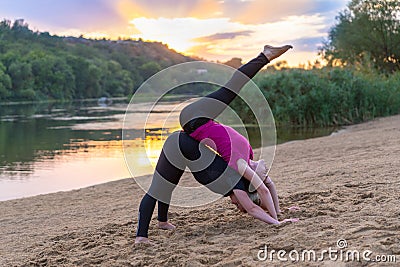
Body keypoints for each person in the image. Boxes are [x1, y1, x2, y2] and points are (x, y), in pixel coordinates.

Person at [135, 44, 298, 244]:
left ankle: (158, 223)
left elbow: (264, 187)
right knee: (230, 90)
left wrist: (278, 212)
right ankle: (265, 56)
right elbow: (261, 192)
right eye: (238, 205)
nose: (236, 205)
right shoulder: (239, 174)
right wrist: (277, 220)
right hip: (194, 121)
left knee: (164, 186)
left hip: (184, 140)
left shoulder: (240, 171)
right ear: (246, 191)